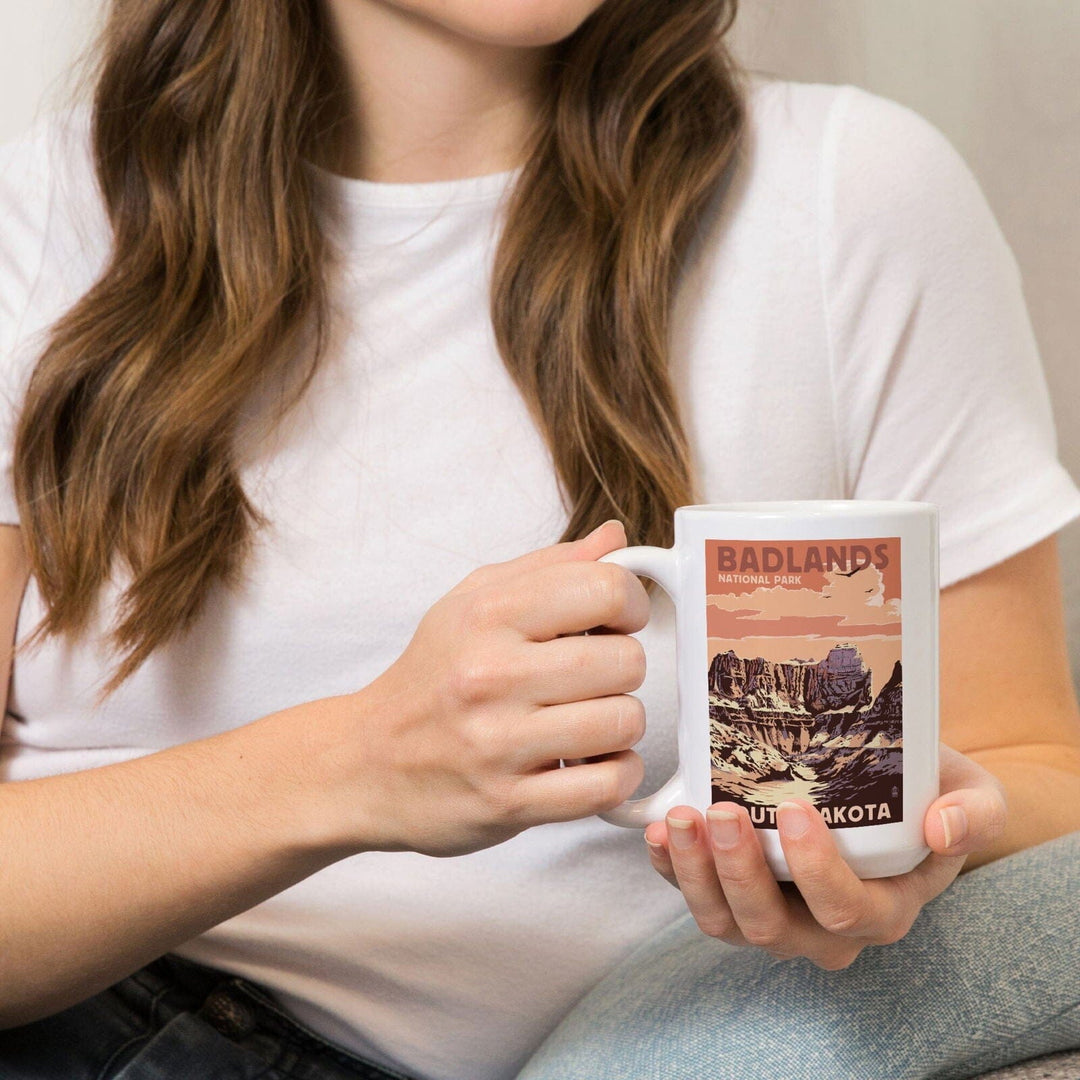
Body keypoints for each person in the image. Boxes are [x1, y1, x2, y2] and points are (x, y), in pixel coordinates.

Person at [0, 1, 1078, 1079]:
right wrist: (359, 763)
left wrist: (927, 847)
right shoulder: (39, 220)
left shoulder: (853, 196)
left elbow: (1033, 768)